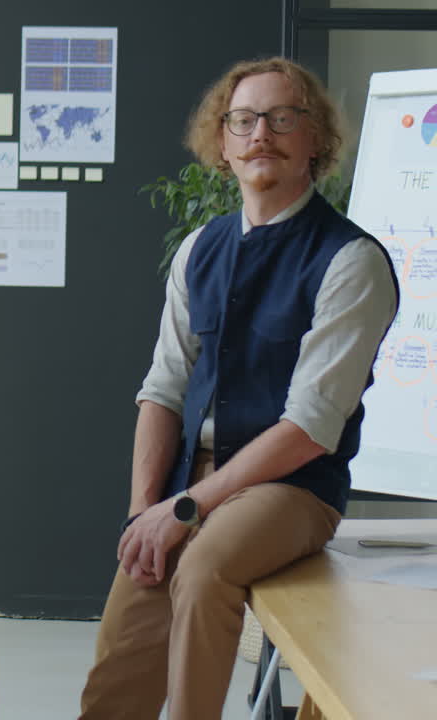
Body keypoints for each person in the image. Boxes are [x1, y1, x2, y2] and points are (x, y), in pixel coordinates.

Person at [78, 57, 398, 719]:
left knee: (201, 568)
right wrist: (146, 511)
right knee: (122, 650)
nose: (262, 135)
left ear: (317, 141)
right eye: (244, 120)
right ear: (220, 143)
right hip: (187, 484)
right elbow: (163, 389)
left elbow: (310, 426)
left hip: (290, 489)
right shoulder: (200, 248)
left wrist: (188, 508)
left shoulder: (351, 261)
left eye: (284, 118)